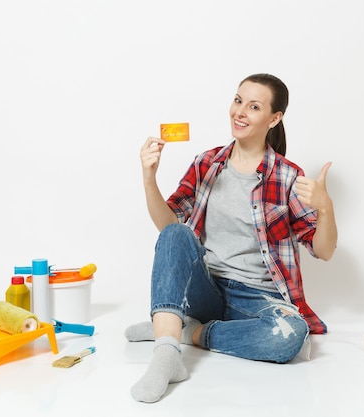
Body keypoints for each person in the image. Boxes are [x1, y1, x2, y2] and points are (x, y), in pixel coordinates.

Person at [126, 73, 338, 403]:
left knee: (290, 337)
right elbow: (168, 227)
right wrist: (149, 177)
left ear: (274, 118)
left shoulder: (286, 176)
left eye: (254, 106)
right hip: (206, 288)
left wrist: (326, 209)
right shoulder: (206, 163)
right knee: (176, 233)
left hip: (257, 298)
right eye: (238, 100)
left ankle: (184, 330)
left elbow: (323, 251)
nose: (240, 112)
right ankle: (166, 355)